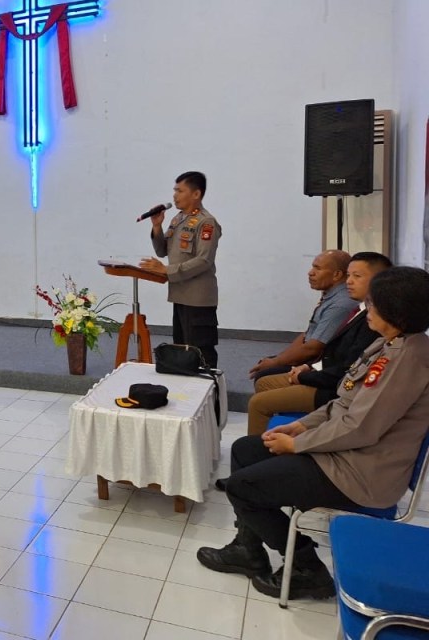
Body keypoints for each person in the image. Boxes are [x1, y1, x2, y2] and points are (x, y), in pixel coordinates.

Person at [197, 266, 429, 600]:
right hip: (348, 453)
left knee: (242, 488)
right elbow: (345, 401)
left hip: (361, 472)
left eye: (373, 303)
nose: (367, 308)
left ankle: (307, 568)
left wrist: (297, 444)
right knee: (245, 450)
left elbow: (360, 427)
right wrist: (303, 425)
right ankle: (247, 549)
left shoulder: (406, 359)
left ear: (396, 312)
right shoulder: (390, 344)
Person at [247, 252, 390, 435]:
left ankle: (259, 446)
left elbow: (346, 367)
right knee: (264, 382)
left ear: (379, 280)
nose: (349, 281)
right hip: (326, 373)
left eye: (357, 276)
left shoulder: (372, 320)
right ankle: (277, 432)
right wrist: (308, 367)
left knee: (258, 403)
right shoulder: (360, 309)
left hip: (334, 389)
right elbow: (319, 342)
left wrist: (304, 375)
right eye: (349, 275)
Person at [139, 171, 221, 367]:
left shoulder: (206, 222)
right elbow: (162, 251)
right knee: (182, 349)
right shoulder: (178, 219)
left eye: (180, 191)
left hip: (198, 298)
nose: (175, 195)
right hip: (180, 294)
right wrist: (157, 226)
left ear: (196, 194)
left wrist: (166, 270)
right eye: (174, 190)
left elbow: (204, 260)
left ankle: (210, 384)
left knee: (201, 350)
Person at [248, 250, 356, 381]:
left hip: (319, 365)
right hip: (312, 358)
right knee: (268, 363)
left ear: (337, 275)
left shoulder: (340, 304)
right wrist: (278, 359)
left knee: (265, 374)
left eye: (318, 268)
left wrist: (276, 362)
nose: (310, 272)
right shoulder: (331, 297)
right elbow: (307, 335)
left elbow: (313, 349)